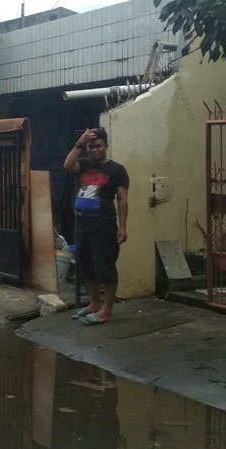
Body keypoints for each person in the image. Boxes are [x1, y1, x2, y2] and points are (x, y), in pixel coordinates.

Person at [63, 127, 129, 325]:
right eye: (91, 147)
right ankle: (93, 303)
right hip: (82, 226)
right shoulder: (82, 165)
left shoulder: (117, 170)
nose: (94, 150)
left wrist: (123, 227)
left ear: (106, 146)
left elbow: (122, 199)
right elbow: (67, 165)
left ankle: (107, 310)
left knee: (105, 268)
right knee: (87, 267)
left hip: (104, 227)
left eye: (98, 146)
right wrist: (80, 142)